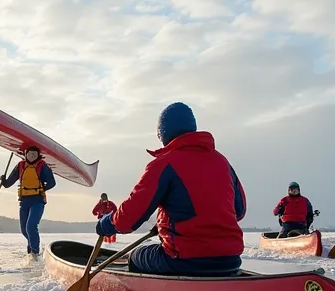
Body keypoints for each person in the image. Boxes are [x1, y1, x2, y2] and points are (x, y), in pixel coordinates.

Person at [95, 103, 246, 276]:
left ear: (163, 133)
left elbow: (130, 217)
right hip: (230, 260)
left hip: (184, 260)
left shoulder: (163, 164)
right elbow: (239, 211)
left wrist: (107, 223)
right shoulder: (223, 162)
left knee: (136, 256)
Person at [2, 145, 56, 256]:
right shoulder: (21, 166)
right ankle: (32, 245)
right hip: (24, 201)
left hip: (38, 200)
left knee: (31, 226)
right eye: (30, 154)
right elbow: (8, 184)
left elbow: (52, 183)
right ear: (25, 154)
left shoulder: (42, 166)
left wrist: (42, 188)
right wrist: (3, 180)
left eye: (34, 154)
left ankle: (35, 252)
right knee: (24, 229)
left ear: (38, 156)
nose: (32, 156)